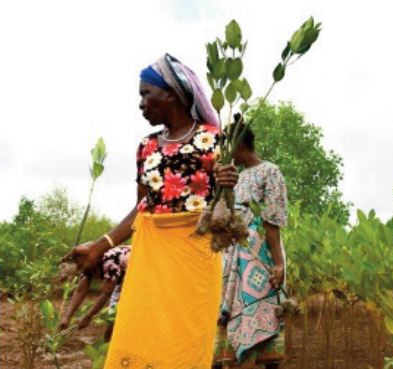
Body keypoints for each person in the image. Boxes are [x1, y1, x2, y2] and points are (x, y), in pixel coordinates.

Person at [63, 53, 238, 368]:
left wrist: (229, 186)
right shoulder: (147, 146)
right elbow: (140, 209)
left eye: (146, 94)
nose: (141, 103)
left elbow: (227, 212)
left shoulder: (215, 139)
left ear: (170, 93)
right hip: (150, 255)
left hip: (196, 255)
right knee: (140, 334)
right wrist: (99, 246)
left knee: (185, 344)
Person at [217, 122, 288, 369]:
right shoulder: (230, 176)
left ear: (240, 145)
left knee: (264, 313)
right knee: (231, 311)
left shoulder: (270, 171)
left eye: (227, 147)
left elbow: (272, 218)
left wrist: (278, 262)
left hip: (259, 253)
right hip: (231, 252)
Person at [59, 245, 131, 341]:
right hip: (122, 279)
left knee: (116, 317)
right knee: (113, 316)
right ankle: (109, 346)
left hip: (139, 274)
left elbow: (106, 293)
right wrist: (67, 317)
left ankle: (111, 346)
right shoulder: (87, 263)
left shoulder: (109, 260)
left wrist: (88, 316)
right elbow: (80, 290)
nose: (82, 268)